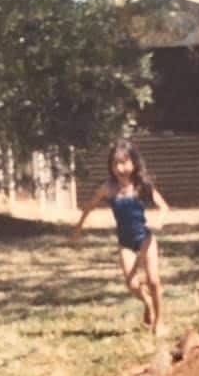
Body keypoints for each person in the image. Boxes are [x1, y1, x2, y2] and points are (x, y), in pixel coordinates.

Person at [72, 139, 169, 336]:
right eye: (116, 163)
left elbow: (164, 206)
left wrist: (160, 220)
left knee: (153, 280)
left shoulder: (142, 186)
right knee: (132, 284)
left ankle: (159, 322)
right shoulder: (108, 188)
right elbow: (90, 205)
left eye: (124, 162)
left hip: (145, 240)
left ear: (134, 163)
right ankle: (148, 303)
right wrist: (79, 226)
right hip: (125, 243)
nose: (120, 168)